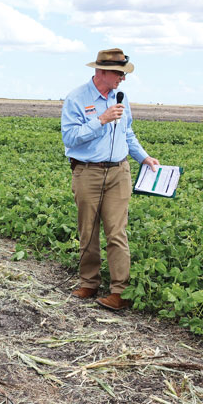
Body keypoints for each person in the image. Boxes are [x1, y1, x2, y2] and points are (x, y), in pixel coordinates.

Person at [61, 48, 160, 311]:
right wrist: (100, 120)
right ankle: (89, 282)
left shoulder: (121, 97)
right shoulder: (76, 99)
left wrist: (144, 158)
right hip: (87, 172)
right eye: (118, 74)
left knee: (117, 232)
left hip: (119, 172)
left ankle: (120, 292)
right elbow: (70, 138)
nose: (122, 79)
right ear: (100, 72)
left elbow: (128, 133)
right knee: (88, 230)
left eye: (123, 74)